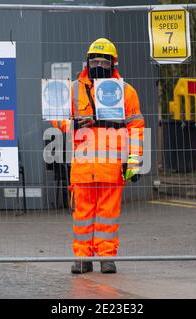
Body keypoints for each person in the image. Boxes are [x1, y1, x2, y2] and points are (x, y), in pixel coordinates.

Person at [53, 38, 145, 274]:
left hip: (112, 166)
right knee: (82, 214)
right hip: (83, 167)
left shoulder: (127, 91)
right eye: (95, 60)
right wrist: (73, 123)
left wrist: (134, 161)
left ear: (113, 63)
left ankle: (106, 257)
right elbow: (57, 118)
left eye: (104, 61)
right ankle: (82, 259)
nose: (99, 64)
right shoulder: (73, 89)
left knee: (108, 214)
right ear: (87, 61)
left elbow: (136, 128)